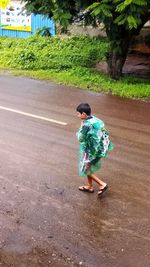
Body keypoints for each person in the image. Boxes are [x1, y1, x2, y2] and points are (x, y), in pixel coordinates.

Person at [76, 103, 114, 197]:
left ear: (84, 114)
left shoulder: (86, 125)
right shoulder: (95, 119)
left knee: (86, 170)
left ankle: (102, 184)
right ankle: (89, 186)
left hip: (91, 151)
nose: (78, 115)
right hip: (99, 149)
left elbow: (80, 138)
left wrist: (81, 127)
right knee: (88, 167)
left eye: (79, 113)